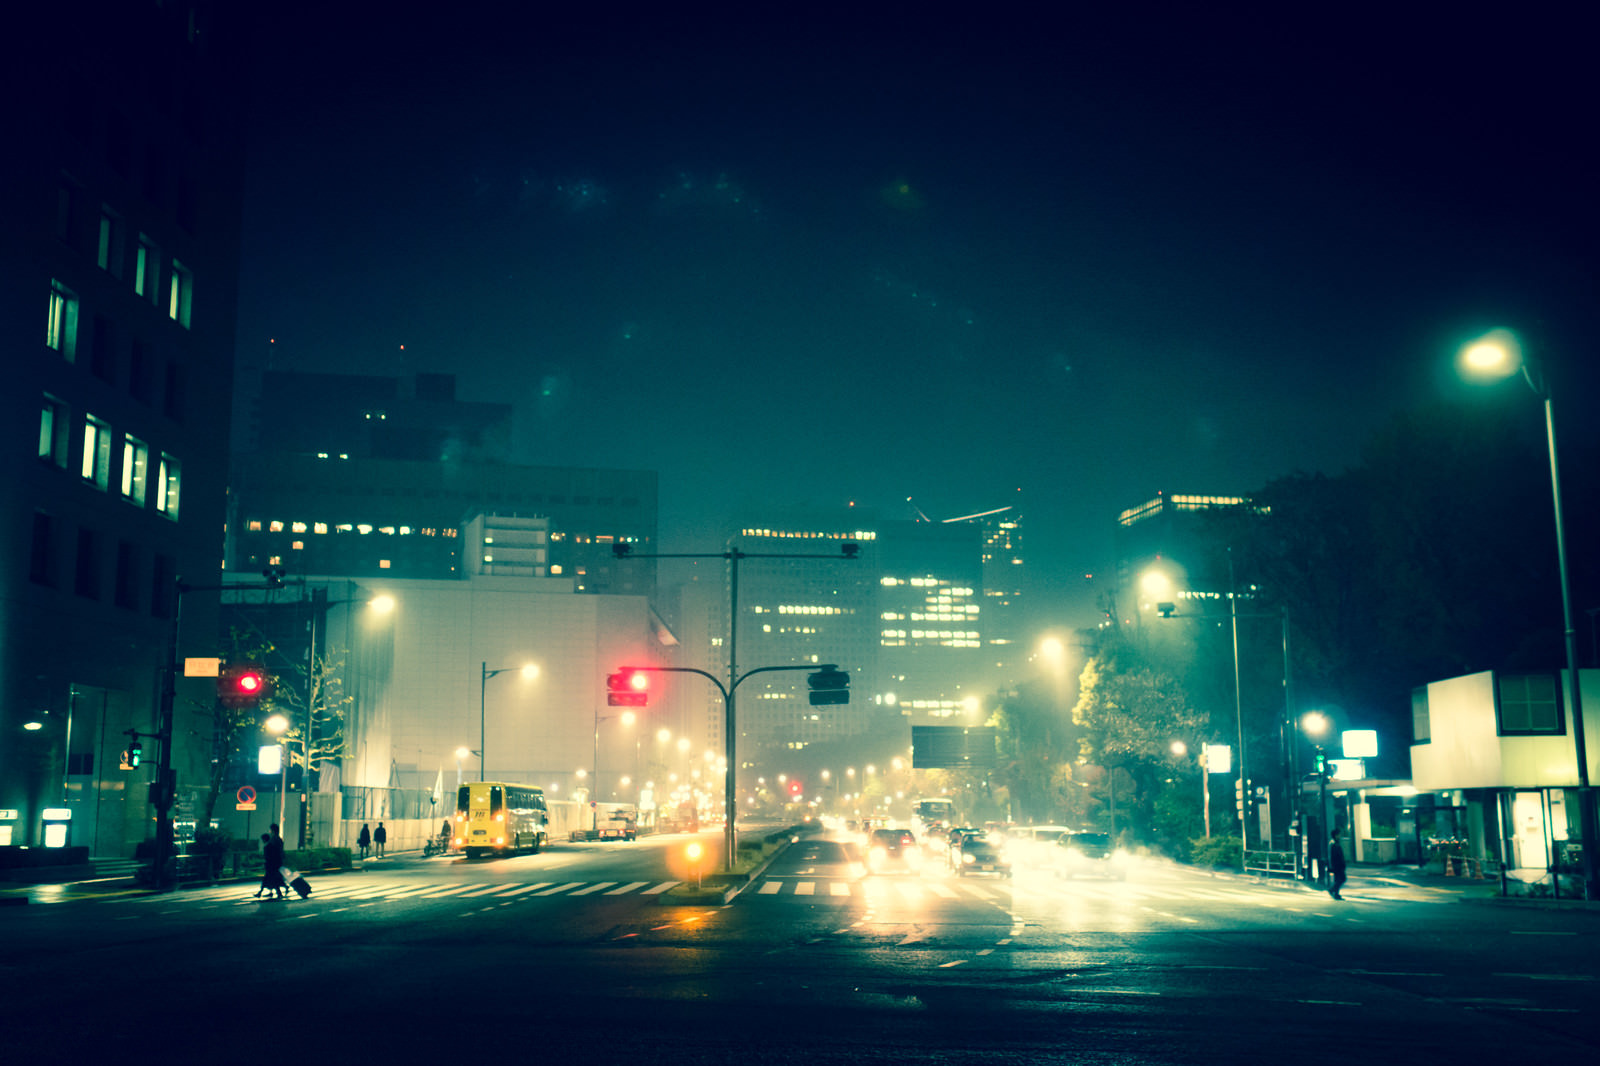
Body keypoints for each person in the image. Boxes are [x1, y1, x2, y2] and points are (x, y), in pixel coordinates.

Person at [259, 825, 287, 900]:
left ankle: (277, 892)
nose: (270, 831)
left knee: (272, 878)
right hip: (277, 862)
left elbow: (272, 853)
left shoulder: (273, 840)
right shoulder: (279, 839)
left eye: (270, 830)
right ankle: (277, 891)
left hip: (273, 863)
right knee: (273, 878)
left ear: (273, 831)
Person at [1328, 835, 1347, 900]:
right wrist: (1342, 864)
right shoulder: (1335, 845)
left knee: (1338, 879)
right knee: (1342, 878)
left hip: (1336, 865)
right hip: (1338, 865)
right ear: (1335, 835)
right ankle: (1332, 890)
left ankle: (1336, 893)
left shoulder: (1333, 844)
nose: (1340, 836)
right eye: (1339, 835)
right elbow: (1338, 856)